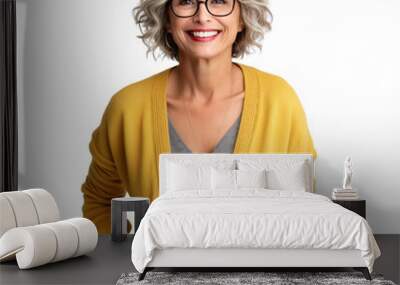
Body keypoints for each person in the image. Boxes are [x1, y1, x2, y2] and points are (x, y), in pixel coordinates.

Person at [81, 0, 317, 234]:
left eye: (218, 1)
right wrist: (136, 254)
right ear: (166, 19)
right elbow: (100, 203)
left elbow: (305, 203)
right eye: (186, 2)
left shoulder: (279, 100)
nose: (202, 16)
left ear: (242, 18)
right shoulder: (127, 107)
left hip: (258, 270)